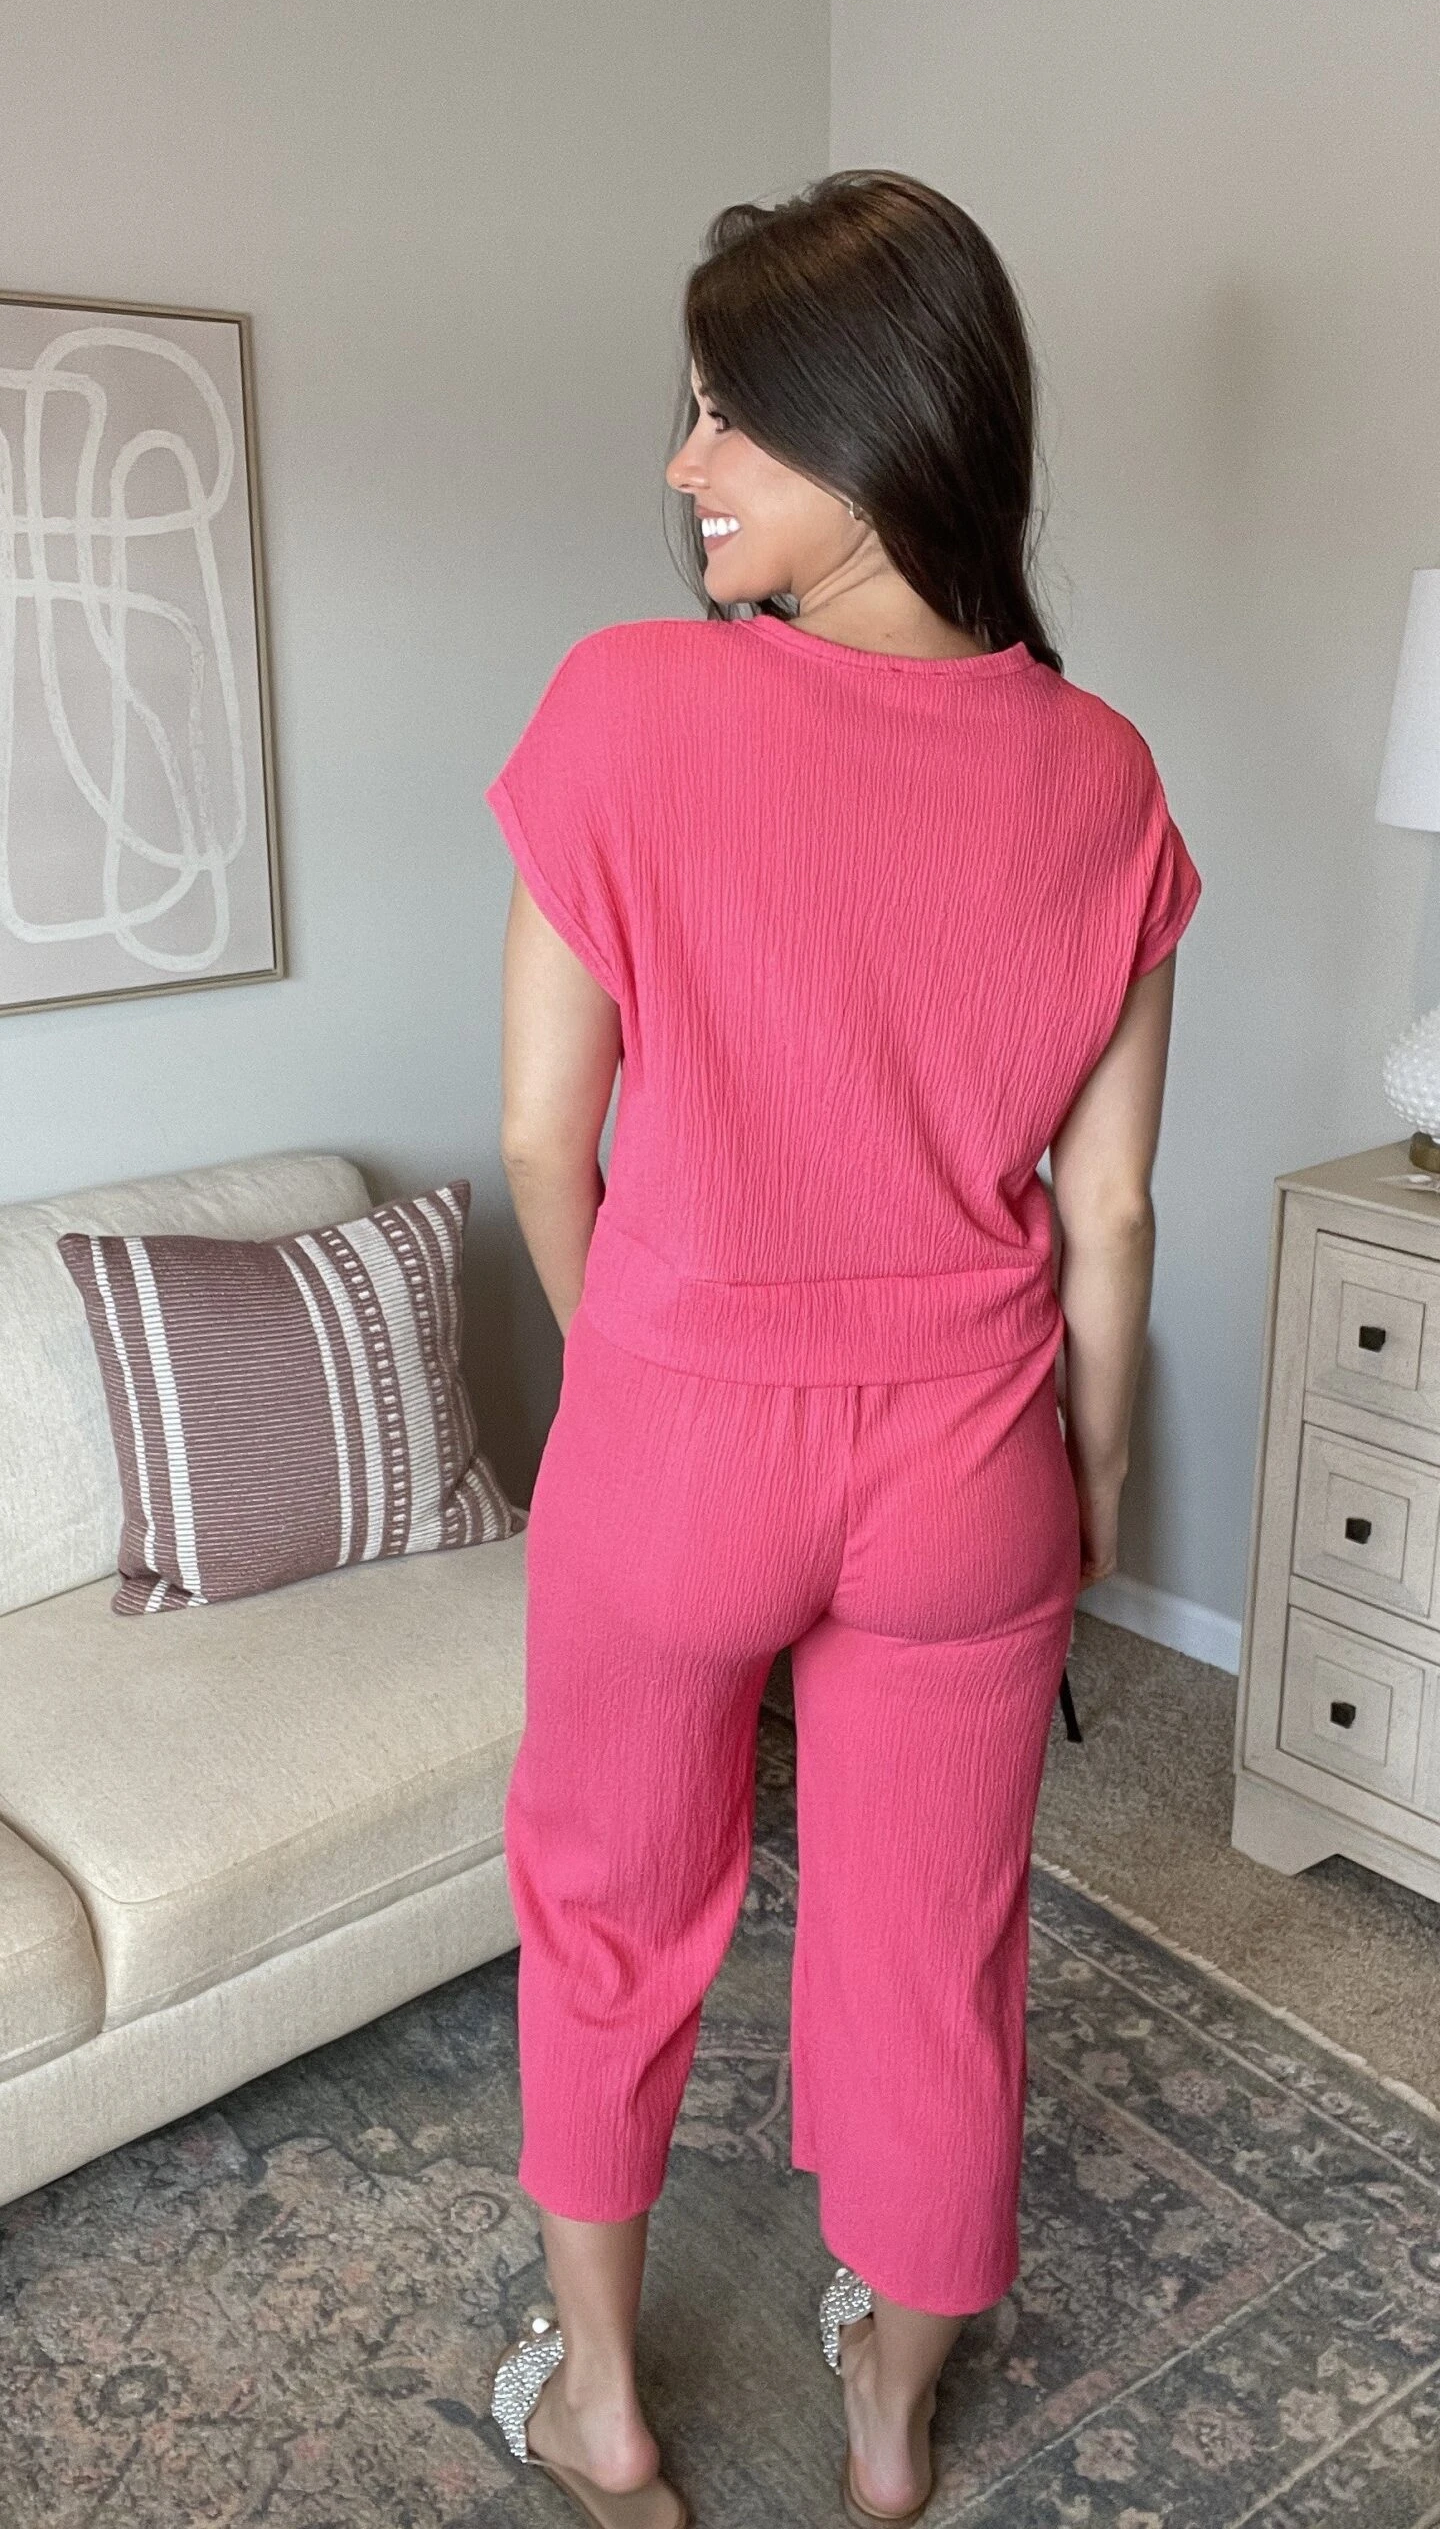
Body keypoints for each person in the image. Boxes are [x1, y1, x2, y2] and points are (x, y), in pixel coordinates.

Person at [483, 168, 1202, 2529]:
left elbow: (543, 1139)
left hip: (679, 1433)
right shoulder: (1106, 774)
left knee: (609, 1911)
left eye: (731, 416)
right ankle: (891, 2425)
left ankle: (604, 2412)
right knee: (931, 1956)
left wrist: (636, 1381)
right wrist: (1090, 1480)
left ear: (887, 423)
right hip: (972, 1461)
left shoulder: (623, 703)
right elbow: (1110, 1215)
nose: (683, 463)